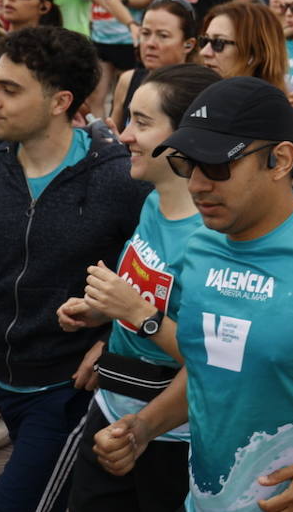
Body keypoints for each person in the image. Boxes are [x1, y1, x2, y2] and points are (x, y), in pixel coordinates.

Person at [90, 77, 293, 510]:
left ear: (280, 160)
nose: (198, 185)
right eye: (187, 164)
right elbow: (214, 371)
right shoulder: (199, 245)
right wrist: (144, 427)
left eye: (217, 166)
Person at [0, 27, 152, 512]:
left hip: (73, 392)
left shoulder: (119, 179)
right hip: (5, 381)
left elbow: (165, 277)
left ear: (60, 100)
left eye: (9, 88)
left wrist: (111, 341)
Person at [56, 64, 220, 511]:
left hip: (170, 437)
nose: (124, 135)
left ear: (190, 137)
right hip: (112, 409)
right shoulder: (154, 200)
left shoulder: (213, 240)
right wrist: (102, 312)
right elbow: (151, 296)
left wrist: (136, 314)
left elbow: (214, 364)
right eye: (128, 119)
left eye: (142, 123)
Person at [198, 1, 293, 212]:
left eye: (219, 43)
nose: (205, 51)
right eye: (204, 41)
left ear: (254, 54)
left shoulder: (288, 122)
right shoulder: (192, 108)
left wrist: (280, 226)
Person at [109, 0, 198, 132]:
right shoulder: (128, 80)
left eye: (163, 35)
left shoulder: (199, 90)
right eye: (145, 33)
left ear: (188, 44)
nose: (150, 43)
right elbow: (114, 132)